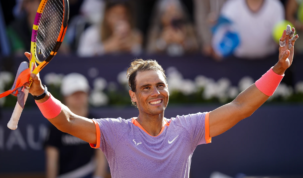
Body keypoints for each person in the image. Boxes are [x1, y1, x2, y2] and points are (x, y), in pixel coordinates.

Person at [25, 26, 298, 178]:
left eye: (159, 85)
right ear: (133, 96)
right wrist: (39, 93)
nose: (155, 92)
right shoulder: (115, 131)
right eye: (145, 87)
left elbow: (240, 107)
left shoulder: (187, 129)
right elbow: (67, 120)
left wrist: (278, 70)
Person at [44, 73, 108, 178]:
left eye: (81, 93)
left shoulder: (97, 122)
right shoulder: (55, 125)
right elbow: (51, 160)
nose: (78, 97)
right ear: (65, 97)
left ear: (87, 94)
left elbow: (101, 156)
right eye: (73, 93)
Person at [218, 0, 284, 59]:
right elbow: (222, 35)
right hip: (238, 61)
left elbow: (280, 40)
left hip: (269, 60)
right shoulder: (231, 6)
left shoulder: (275, 6)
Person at [77, 1, 142, 57]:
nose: (120, 19)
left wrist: (130, 47)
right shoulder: (92, 33)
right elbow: (81, 55)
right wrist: (105, 48)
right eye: (115, 15)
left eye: (124, 16)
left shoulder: (135, 34)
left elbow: (142, 58)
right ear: (107, 16)